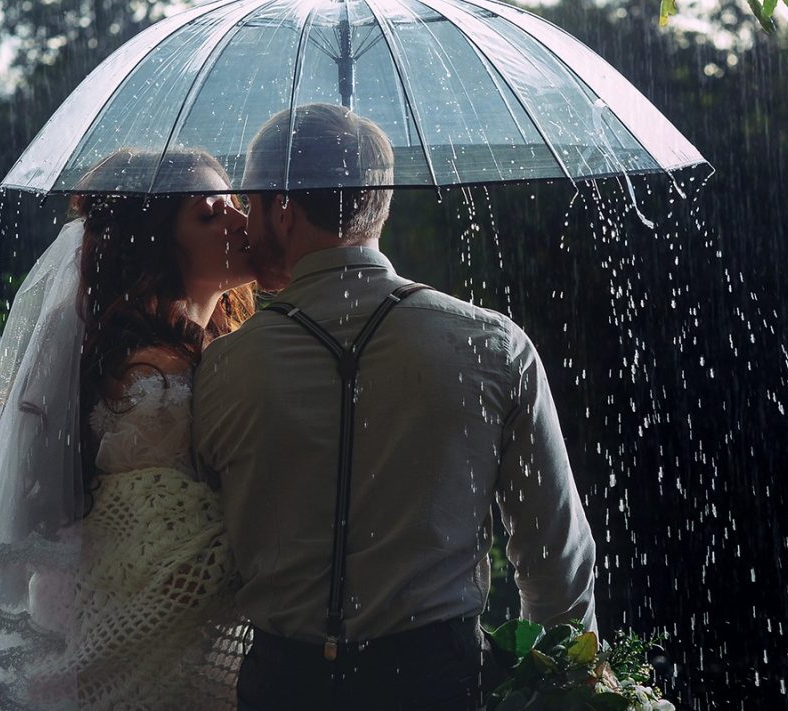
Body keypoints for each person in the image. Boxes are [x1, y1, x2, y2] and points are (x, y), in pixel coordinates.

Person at [193, 103, 598, 710]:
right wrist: (568, 689)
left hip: (284, 686)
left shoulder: (222, 369)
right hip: (439, 684)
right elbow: (555, 556)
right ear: (380, 201)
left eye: (250, 204)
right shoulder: (493, 346)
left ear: (283, 209)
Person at [0, 149, 256, 710]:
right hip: (146, 652)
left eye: (234, 203)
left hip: (113, 631)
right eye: (210, 215)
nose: (239, 218)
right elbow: (171, 545)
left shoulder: (180, 351)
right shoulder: (154, 380)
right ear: (156, 242)